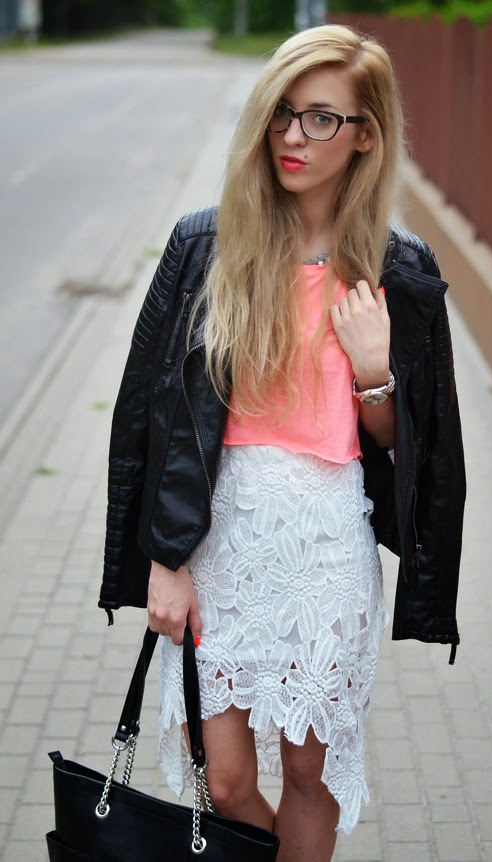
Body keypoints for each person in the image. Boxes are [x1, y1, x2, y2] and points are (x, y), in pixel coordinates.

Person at [98, 24, 466, 862]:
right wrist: (163, 556)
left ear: (366, 134)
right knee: (222, 781)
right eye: (282, 115)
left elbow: (415, 453)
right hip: (216, 530)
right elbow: (149, 417)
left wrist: (375, 371)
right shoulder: (204, 247)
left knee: (308, 770)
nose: (293, 137)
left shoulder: (398, 271)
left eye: (321, 119)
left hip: (323, 538)